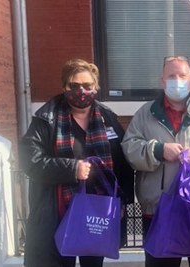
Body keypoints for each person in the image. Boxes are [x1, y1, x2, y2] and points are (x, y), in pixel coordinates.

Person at [121, 55, 190, 267]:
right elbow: (129, 147)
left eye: (182, 75)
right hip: (158, 207)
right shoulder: (144, 114)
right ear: (162, 80)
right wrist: (157, 150)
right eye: (171, 75)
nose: (177, 80)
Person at [19, 59, 134, 267]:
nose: (81, 91)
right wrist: (73, 169)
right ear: (64, 87)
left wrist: (123, 201)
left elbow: (123, 164)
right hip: (59, 215)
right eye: (74, 86)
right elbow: (31, 161)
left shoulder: (108, 118)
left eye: (87, 86)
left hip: (97, 215)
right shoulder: (45, 119)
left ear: (95, 87)